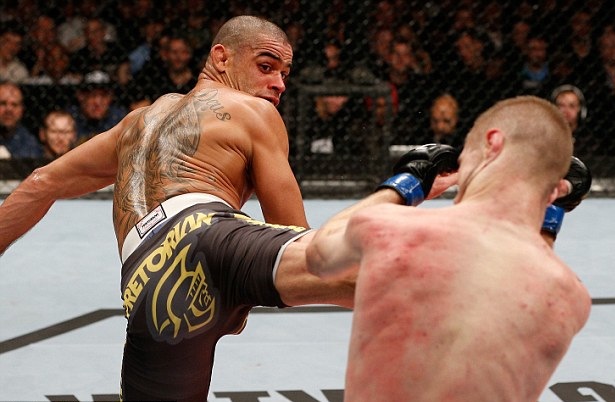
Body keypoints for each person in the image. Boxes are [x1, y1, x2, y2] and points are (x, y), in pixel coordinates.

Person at [0, 15, 400, 401]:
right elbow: (297, 237)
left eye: (284, 75)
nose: (278, 84)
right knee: (367, 275)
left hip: (144, 283)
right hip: (208, 231)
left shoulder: (133, 124)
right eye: (266, 66)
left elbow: (41, 183)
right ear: (222, 57)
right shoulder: (254, 112)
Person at [306, 95, 592, 402]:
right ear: (558, 191)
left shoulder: (389, 228)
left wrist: (405, 184)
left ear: (492, 145)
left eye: (464, 156)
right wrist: (549, 213)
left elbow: (318, 255)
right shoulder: (571, 299)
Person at [67, 70, 126, 143]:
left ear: (110, 97)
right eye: (92, 95)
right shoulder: (69, 118)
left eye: (103, 95)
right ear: (81, 96)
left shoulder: (119, 118)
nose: (97, 102)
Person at [0, 81, 41, 159]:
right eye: (3, 103)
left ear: (21, 110)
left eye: (14, 105)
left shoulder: (29, 143)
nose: (9, 109)